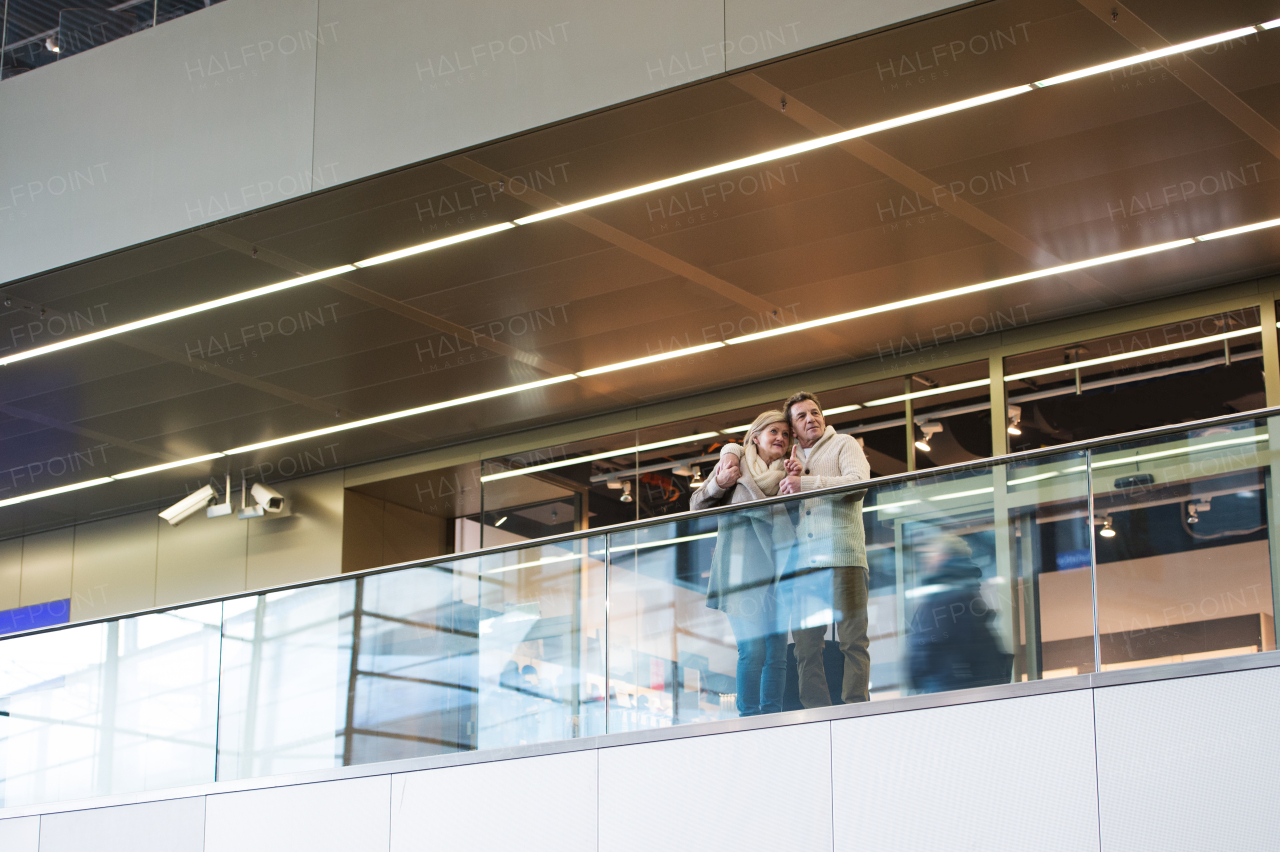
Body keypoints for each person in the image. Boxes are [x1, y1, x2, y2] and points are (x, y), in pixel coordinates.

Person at [723, 391, 871, 707]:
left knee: (853, 640)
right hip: (804, 566)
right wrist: (730, 452)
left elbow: (858, 484)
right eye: (801, 417)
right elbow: (749, 445)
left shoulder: (844, 444)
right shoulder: (786, 458)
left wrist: (806, 482)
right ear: (793, 429)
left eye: (814, 412)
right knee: (805, 648)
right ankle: (815, 712)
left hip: (845, 557)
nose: (810, 419)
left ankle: (857, 707)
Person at [691, 410, 797, 716]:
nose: (780, 438)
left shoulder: (791, 473)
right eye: (773, 432)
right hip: (741, 573)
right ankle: (749, 718)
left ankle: (772, 715)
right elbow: (695, 505)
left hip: (779, 571)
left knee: (777, 654)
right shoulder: (733, 464)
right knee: (753, 650)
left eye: (785, 434)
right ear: (755, 437)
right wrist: (720, 484)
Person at [907, 535, 1011, 694]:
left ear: (945, 556)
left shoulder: (946, 591)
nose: (925, 560)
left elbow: (930, 643)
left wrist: (919, 676)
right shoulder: (962, 588)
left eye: (930, 554)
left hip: (948, 689)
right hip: (960, 686)